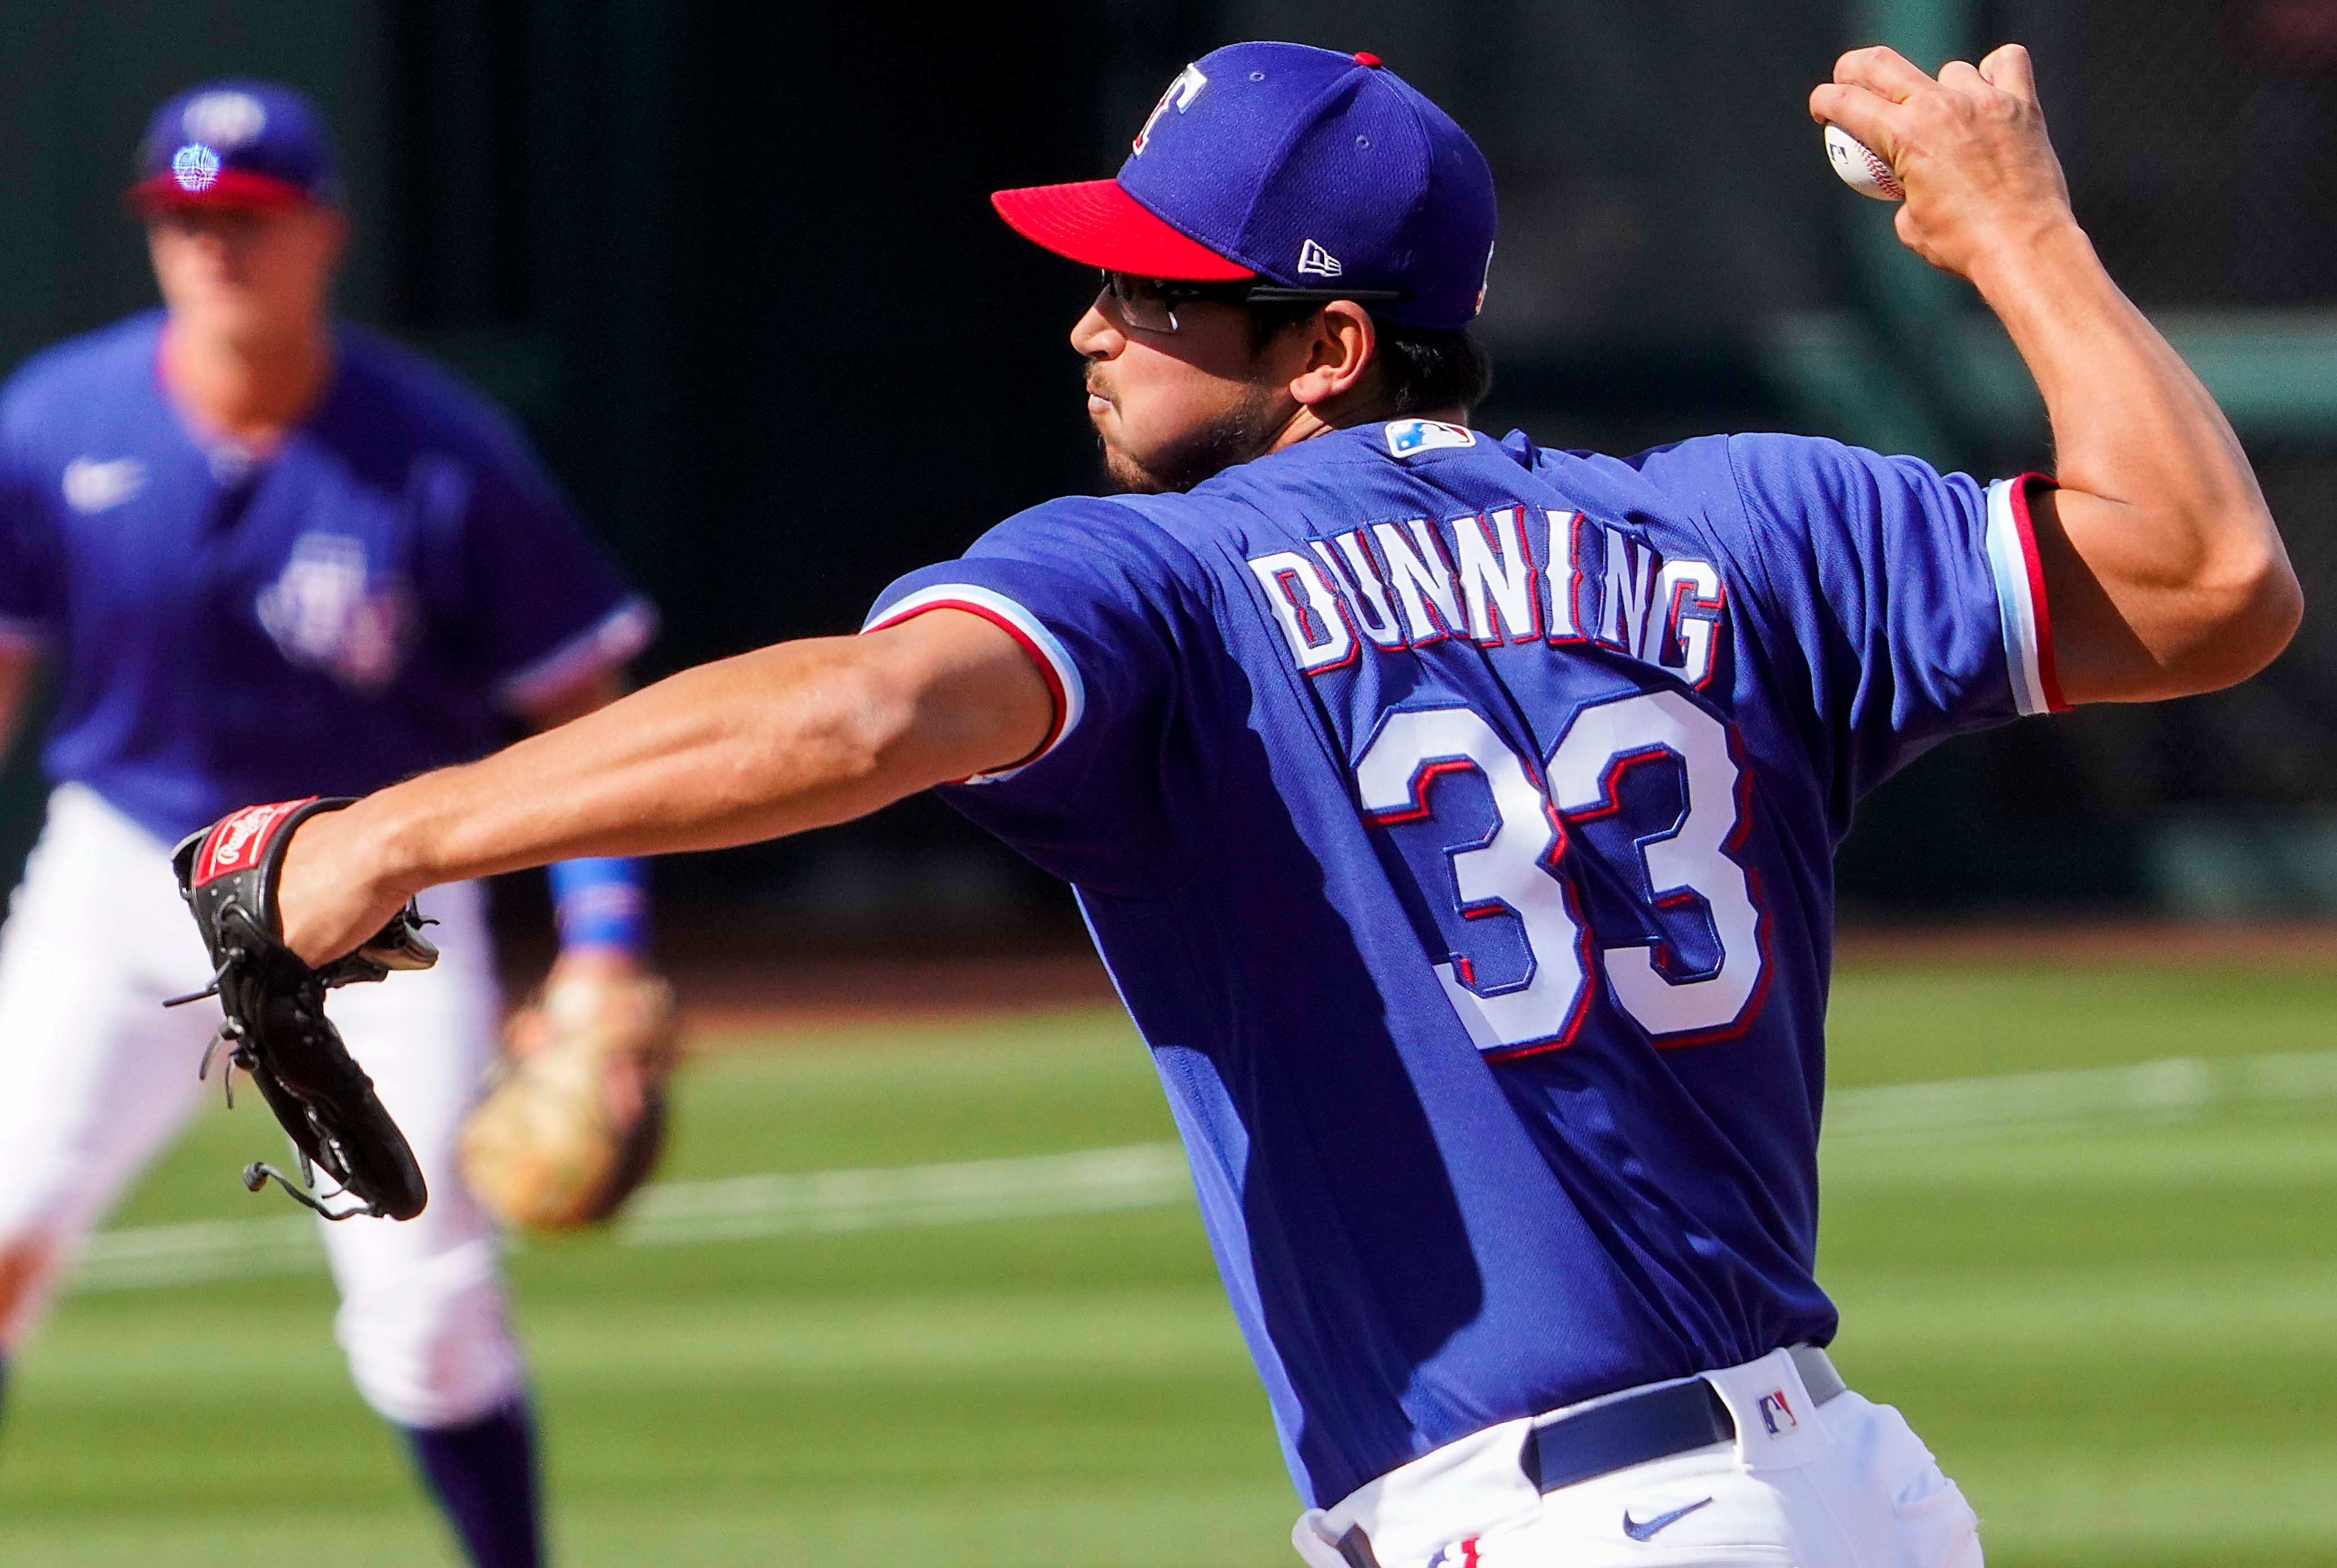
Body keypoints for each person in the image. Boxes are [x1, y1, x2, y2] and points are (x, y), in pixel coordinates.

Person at [252, 41, 2296, 1568]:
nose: (1090, 321)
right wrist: (2017, 230)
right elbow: (2214, 583)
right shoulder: (1747, 526)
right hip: (1850, 1496)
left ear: (1323, 346)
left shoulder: (1175, 576)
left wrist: (384, 835)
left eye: (1152, 286)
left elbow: (870, 708)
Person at [0, 79, 658, 1568]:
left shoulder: (439, 452)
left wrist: (604, 942)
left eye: (248, 217)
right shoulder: (58, 417)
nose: (214, 246)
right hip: (123, 870)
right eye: (184, 218)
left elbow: (583, 705)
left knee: (426, 1301)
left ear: (323, 231)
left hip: (377, 888)